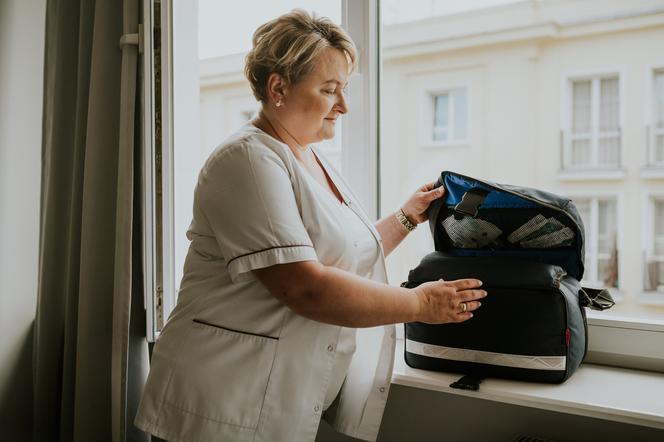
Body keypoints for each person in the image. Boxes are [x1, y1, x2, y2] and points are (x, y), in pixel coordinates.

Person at [134, 9, 486, 442]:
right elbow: (305, 286)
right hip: (219, 401)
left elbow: (340, 255)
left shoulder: (309, 156)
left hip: (270, 395)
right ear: (278, 87)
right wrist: (420, 305)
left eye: (345, 89)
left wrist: (406, 217)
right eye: (329, 89)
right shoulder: (246, 160)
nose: (343, 106)